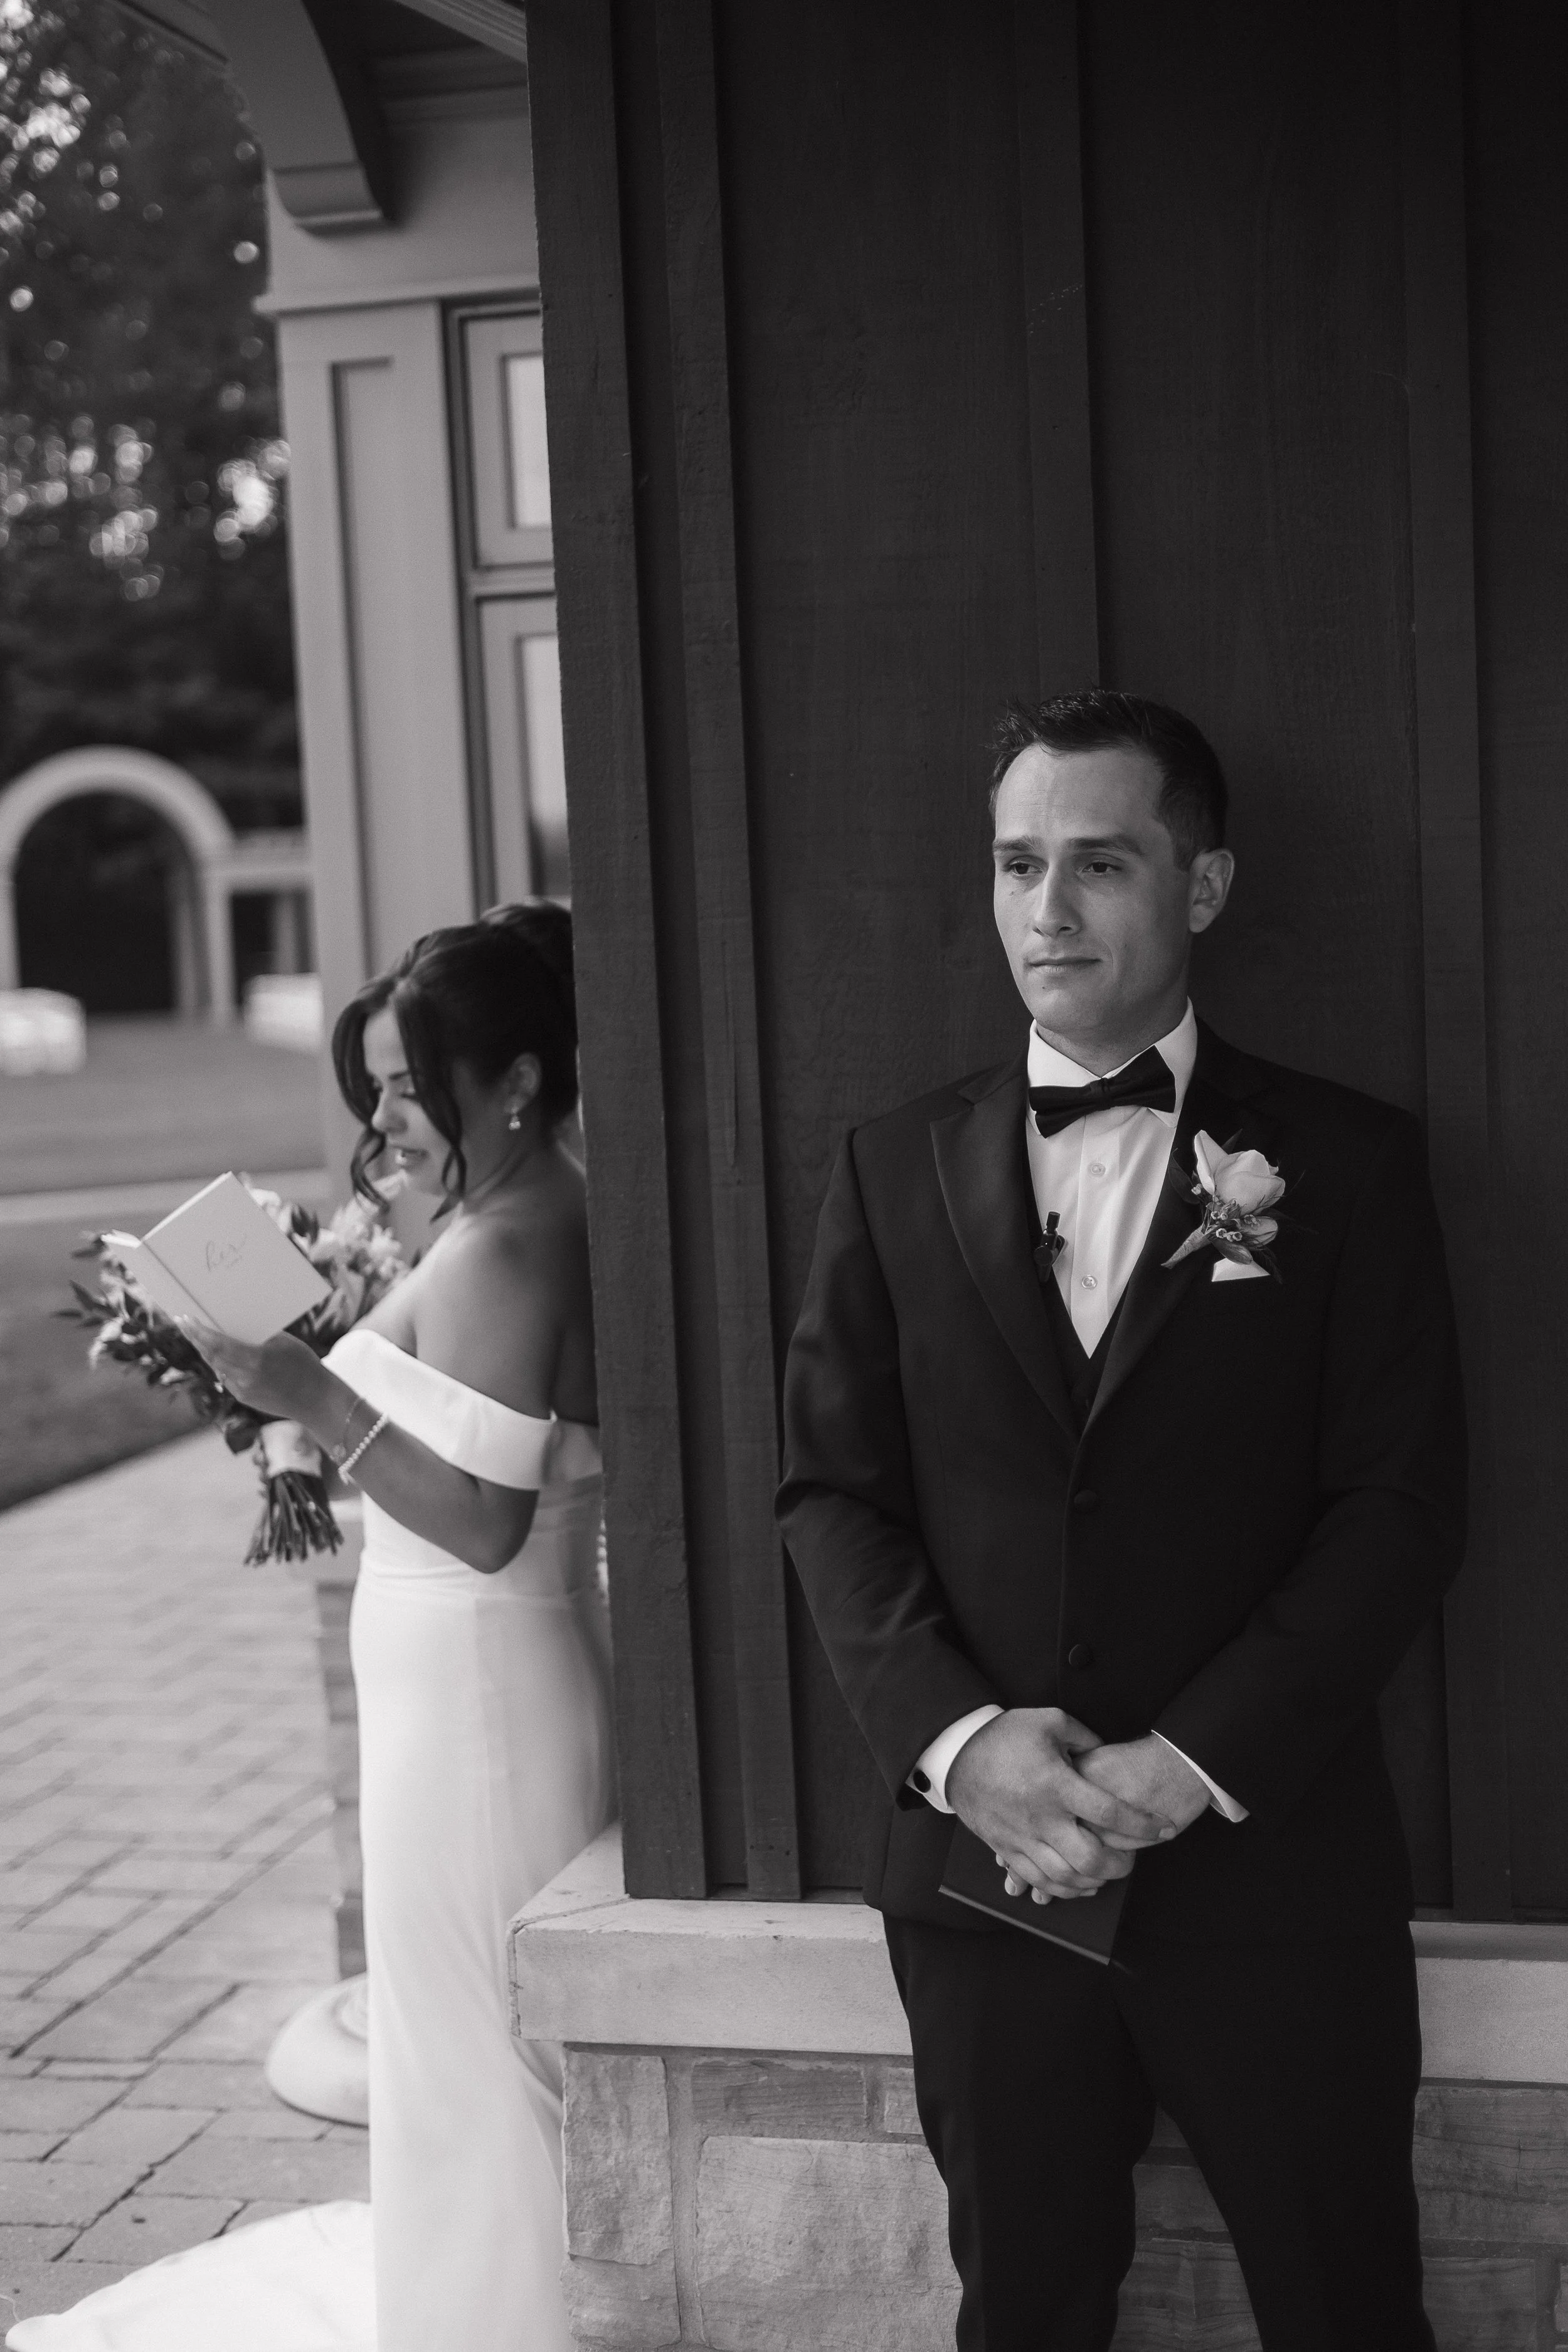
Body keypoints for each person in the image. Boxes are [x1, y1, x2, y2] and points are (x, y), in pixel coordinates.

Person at [776, 691, 1466, 2351]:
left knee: (1348, 2305)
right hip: (987, 1882)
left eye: (1098, 861)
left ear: (1202, 888)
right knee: (1022, 2311)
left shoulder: (1348, 1163)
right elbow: (831, 1491)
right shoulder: (887, 1166)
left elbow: (1399, 1500)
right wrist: (960, 1744)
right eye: (1018, 862)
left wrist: (1192, 1758)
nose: (1044, 908)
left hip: (1268, 1867)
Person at [11, 904, 615, 2352]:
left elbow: (481, 1519)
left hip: (476, 1693)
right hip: (464, 1686)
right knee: (447, 2029)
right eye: (381, 1086)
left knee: (467, 2033)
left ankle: (497, 2320)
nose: (385, 1114)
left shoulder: (509, 1244)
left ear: (514, 1079)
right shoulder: (504, 1214)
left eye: (413, 1082)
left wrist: (311, 1395)